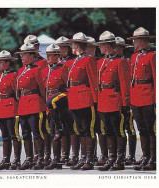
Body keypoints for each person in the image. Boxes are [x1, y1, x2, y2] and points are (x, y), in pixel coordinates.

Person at [97, 31, 130, 171]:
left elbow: (124, 84)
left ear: (107, 46)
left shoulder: (120, 62)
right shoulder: (100, 62)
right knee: (108, 131)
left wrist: (125, 104)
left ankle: (120, 159)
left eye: (101, 45)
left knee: (118, 131)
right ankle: (111, 158)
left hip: (115, 100)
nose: (99, 48)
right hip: (103, 100)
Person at [66, 32, 98, 170]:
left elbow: (93, 80)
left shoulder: (88, 60)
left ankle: (89, 159)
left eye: (73, 44)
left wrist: (95, 101)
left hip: (85, 98)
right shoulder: (73, 62)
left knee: (87, 129)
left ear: (78, 45)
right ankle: (83, 157)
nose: (71, 47)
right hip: (74, 98)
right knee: (79, 129)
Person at [127, 27, 156, 171]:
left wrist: (157, 99)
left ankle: (153, 158)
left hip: (148, 95)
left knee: (151, 129)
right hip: (136, 96)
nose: (134, 43)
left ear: (143, 41)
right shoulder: (134, 57)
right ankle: (145, 156)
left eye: (136, 40)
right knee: (142, 129)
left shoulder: (152, 56)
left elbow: (157, 78)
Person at [15, 43, 46, 170]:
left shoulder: (37, 69)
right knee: (25, 133)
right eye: (21, 54)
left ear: (32, 56)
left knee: (36, 132)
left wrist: (44, 104)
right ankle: (29, 158)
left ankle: (40, 158)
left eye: (24, 54)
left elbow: (42, 89)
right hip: (23, 104)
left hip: (35, 103)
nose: (22, 57)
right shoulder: (21, 70)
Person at [41, 44, 71, 170]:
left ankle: (62, 157)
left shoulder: (63, 68)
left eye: (51, 55)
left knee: (59, 130)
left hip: (60, 103)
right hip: (49, 104)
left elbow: (67, 86)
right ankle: (56, 159)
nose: (48, 57)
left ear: (57, 56)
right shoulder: (43, 70)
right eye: (47, 55)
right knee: (52, 130)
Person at [0, 50, 22, 170]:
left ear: (8, 63)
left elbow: (17, 93)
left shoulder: (13, 76)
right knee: (5, 136)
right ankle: (6, 160)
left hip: (11, 107)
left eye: (1, 62)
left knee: (14, 135)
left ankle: (17, 160)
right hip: (1, 107)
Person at [24, 35, 50, 165]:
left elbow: (43, 83)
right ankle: (34, 155)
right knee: (29, 129)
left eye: (33, 45)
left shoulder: (43, 63)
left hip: (40, 99)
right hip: (27, 101)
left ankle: (45, 154)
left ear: (37, 47)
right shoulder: (25, 64)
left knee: (41, 129)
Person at [115, 36, 137, 165]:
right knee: (119, 127)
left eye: (117, 47)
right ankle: (120, 154)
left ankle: (131, 155)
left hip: (129, 98)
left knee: (130, 128)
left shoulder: (127, 62)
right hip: (116, 98)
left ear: (122, 48)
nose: (115, 49)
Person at [55, 36, 77, 166]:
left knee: (72, 127)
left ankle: (74, 155)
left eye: (63, 47)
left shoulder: (72, 61)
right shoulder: (55, 62)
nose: (61, 50)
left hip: (69, 96)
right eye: (59, 47)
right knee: (61, 126)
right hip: (57, 98)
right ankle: (64, 154)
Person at [86, 36, 108, 166]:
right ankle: (91, 155)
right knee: (90, 128)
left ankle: (104, 154)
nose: (89, 49)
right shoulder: (84, 61)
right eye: (86, 47)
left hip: (100, 99)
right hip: (86, 99)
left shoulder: (100, 62)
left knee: (101, 128)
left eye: (90, 47)